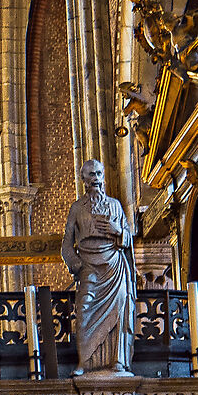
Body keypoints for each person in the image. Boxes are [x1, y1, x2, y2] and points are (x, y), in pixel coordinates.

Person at [60, 159, 138, 374]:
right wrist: (77, 265)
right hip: (89, 267)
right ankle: (85, 363)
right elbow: (67, 244)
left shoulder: (115, 205)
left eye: (98, 174)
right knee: (84, 311)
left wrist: (118, 231)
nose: (95, 179)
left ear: (103, 177)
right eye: (91, 175)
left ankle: (118, 361)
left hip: (114, 264)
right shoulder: (77, 208)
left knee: (119, 311)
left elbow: (128, 239)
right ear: (83, 180)